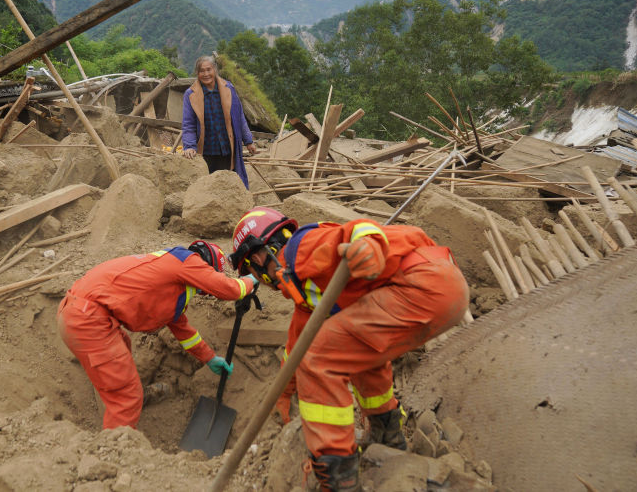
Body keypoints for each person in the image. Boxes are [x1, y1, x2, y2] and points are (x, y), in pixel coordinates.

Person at [229, 208, 469, 492]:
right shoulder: (304, 286)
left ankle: (338, 476)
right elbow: (298, 342)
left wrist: (368, 246)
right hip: (441, 286)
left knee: (319, 359)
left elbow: (356, 230)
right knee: (357, 352)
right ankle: (387, 434)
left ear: (257, 259)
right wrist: (283, 392)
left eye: (250, 270)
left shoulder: (300, 249)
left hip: (421, 284)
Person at [57, 240, 257, 429]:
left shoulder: (168, 280)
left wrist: (210, 358)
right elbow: (232, 289)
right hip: (89, 318)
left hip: (76, 311)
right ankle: (114, 448)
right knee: (126, 396)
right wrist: (253, 277)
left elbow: (184, 332)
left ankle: (133, 399)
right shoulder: (190, 261)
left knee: (123, 347)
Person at [181, 55, 257, 188]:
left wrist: (248, 141)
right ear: (197, 73)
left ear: (215, 69)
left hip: (227, 147)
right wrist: (189, 146)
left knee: (228, 185)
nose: (206, 74)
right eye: (202, 71)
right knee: (207, 186)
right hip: (206, 150)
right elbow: (188, 124)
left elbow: (239, 117)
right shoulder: (190, 94)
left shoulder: (228, 88)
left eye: (208, 69)